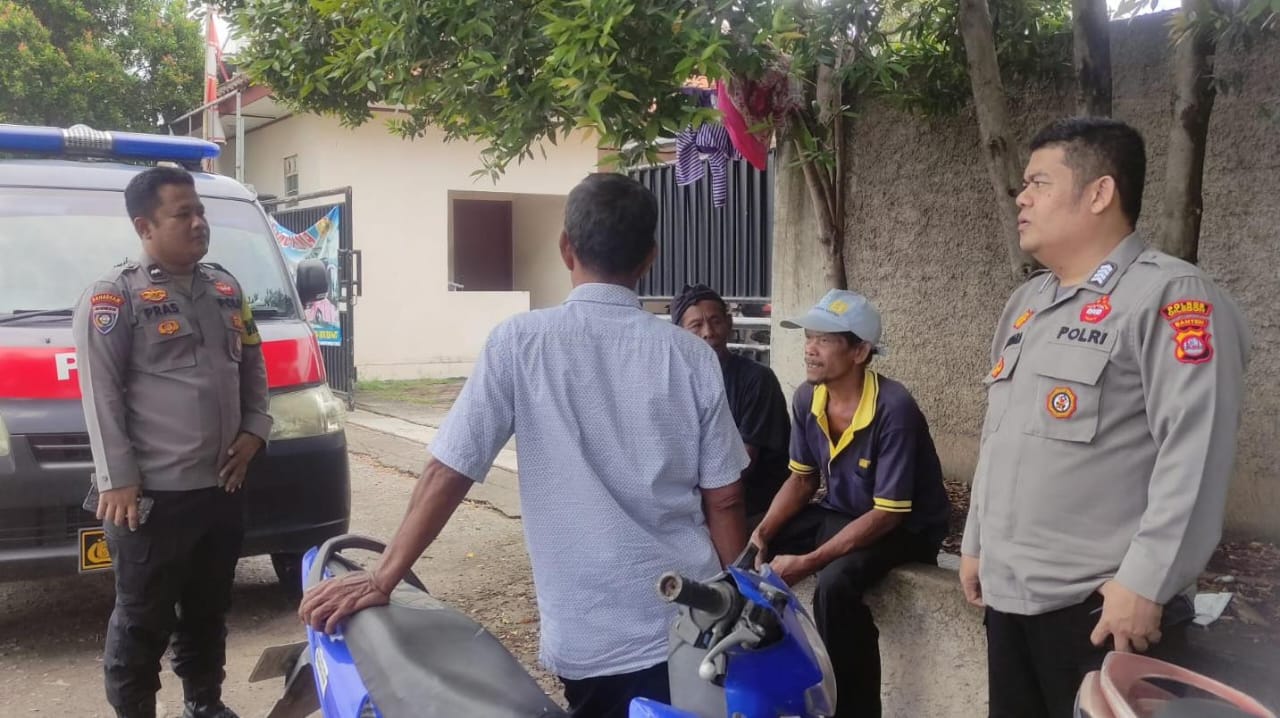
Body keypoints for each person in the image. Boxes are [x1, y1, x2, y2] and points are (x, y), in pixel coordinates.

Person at [298, 172, 749, 718]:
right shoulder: (692, 356)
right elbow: (725, 498)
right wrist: (740, 598)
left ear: (565, 248)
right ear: (649, 257)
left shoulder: (520, 342)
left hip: (592, 632)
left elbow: (449, 470)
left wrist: (382, 575)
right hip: (693, 614)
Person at [959, 117, 1251, 718]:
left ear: (1099, 193)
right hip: (1011, 600)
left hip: (1102, 611)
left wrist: (1146, 581)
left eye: (1039, 182)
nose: (1022, 197)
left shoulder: (1171, 296)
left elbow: (1195, 451)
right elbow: (1001, 435)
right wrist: (977, 542)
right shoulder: (1028, 302)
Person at [73, 166, 272, 718]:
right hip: (152, 500)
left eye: (200, 211)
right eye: (182, 213)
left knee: (209, 611)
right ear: (145, 226)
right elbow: (100, 394)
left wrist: (255, 429)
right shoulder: (115, 297)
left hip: (222, 489)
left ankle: (204, 704)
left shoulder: (227, 289)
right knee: (142, 621)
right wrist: (118, 479)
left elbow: (252, 366)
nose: (198, 222)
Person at [749, 289, 950, 718]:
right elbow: (802, 479)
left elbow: (889, 513)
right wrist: (762, 533)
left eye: (824, 340)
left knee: (835, 584)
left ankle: (852, 709)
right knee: (753, 544)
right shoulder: (808, 397)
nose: (810, 349)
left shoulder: (894, 407)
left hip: (905, 528)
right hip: (844, 512)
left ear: (860, 351)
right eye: (808, 337)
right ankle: (762, 680)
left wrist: (809, 561)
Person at [671, 283, 791, 523]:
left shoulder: (757, 380)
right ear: (679, 333)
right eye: (696, 325)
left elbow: (744, 464)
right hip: (696, 498)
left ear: (729, 323)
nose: (708, 332)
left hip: (751, 505)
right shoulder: (674, 382)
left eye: (715, 321)